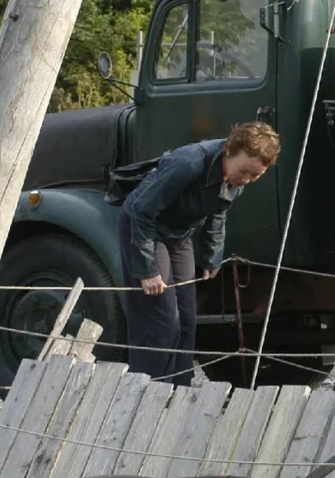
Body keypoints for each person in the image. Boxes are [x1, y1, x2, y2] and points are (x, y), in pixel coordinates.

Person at [118, 121, 280, 381]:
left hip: (181, 235)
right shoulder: (189, 163)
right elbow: (142, 211)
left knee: (186, 318)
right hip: (147, 228)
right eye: (245, 172)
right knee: (161, 317)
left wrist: (210, 258)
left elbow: (217, 215)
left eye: (255, 176)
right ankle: (150, 389)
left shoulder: (235, 178)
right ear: (229, 151)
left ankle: (180, 388)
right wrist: (146, 269)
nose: (246, 180)